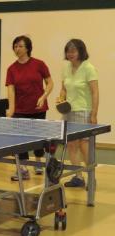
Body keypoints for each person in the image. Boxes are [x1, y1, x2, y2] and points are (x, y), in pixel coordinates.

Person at [6, 35, 54, 181]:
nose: (17, 49)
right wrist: (11, 109)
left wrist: (44, 96)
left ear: (27, 48)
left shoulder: (39, 64)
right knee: (20, 141)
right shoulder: (12, 69)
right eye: (15, 46)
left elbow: (50, 83)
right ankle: (23, 169)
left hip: (38, 108)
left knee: (38, 140)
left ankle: (38, 163)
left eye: (20, 46)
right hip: (21, 110)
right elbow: (11, 90)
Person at [57, 39, 99, 187]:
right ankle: (78, 177)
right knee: (71, 145)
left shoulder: (89, 68)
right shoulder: (66, 67)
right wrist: (61, 97)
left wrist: (93, 114)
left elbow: (95, 92)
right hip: (68, 111)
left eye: (73, 51)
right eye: (68, 51)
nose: (70, 54)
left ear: (81, 51)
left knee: (83, 145)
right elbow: (64, 88)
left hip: (83, 111)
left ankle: (91, 177)